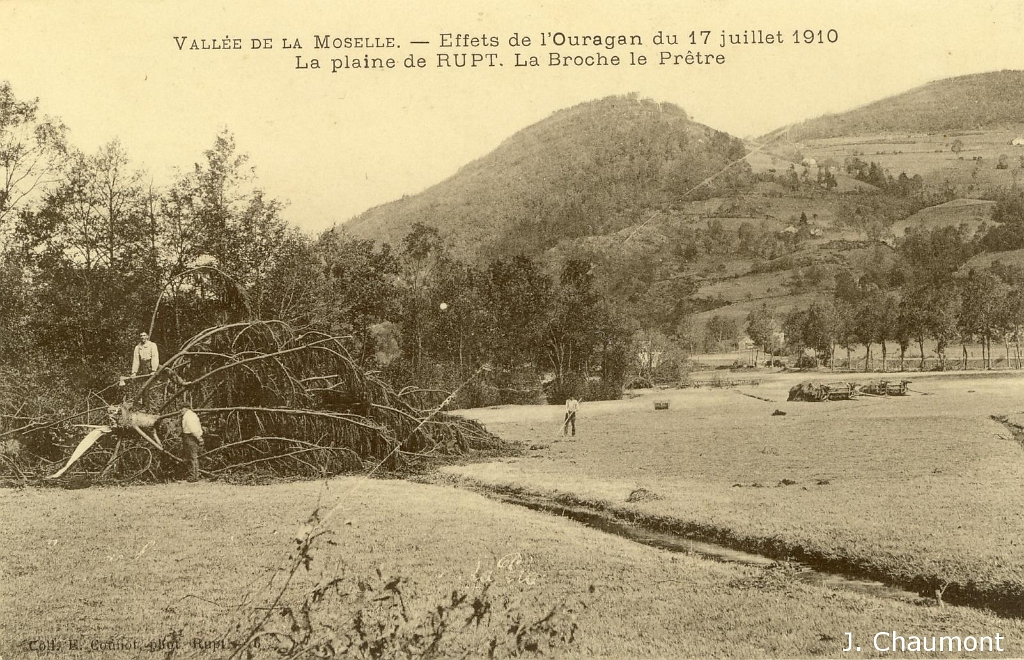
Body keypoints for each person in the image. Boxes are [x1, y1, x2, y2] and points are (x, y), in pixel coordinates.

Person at [181, 408, 204, 482]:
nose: (181, 412)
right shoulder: (193, 415)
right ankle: (194, 475)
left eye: (181, 410)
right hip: (192, 436)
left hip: (190, 436)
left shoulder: (188, 416)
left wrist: (198, 437)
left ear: (185, 409)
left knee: (192, 456)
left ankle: (193, 476)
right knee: (192, 456)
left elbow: (192, 428)